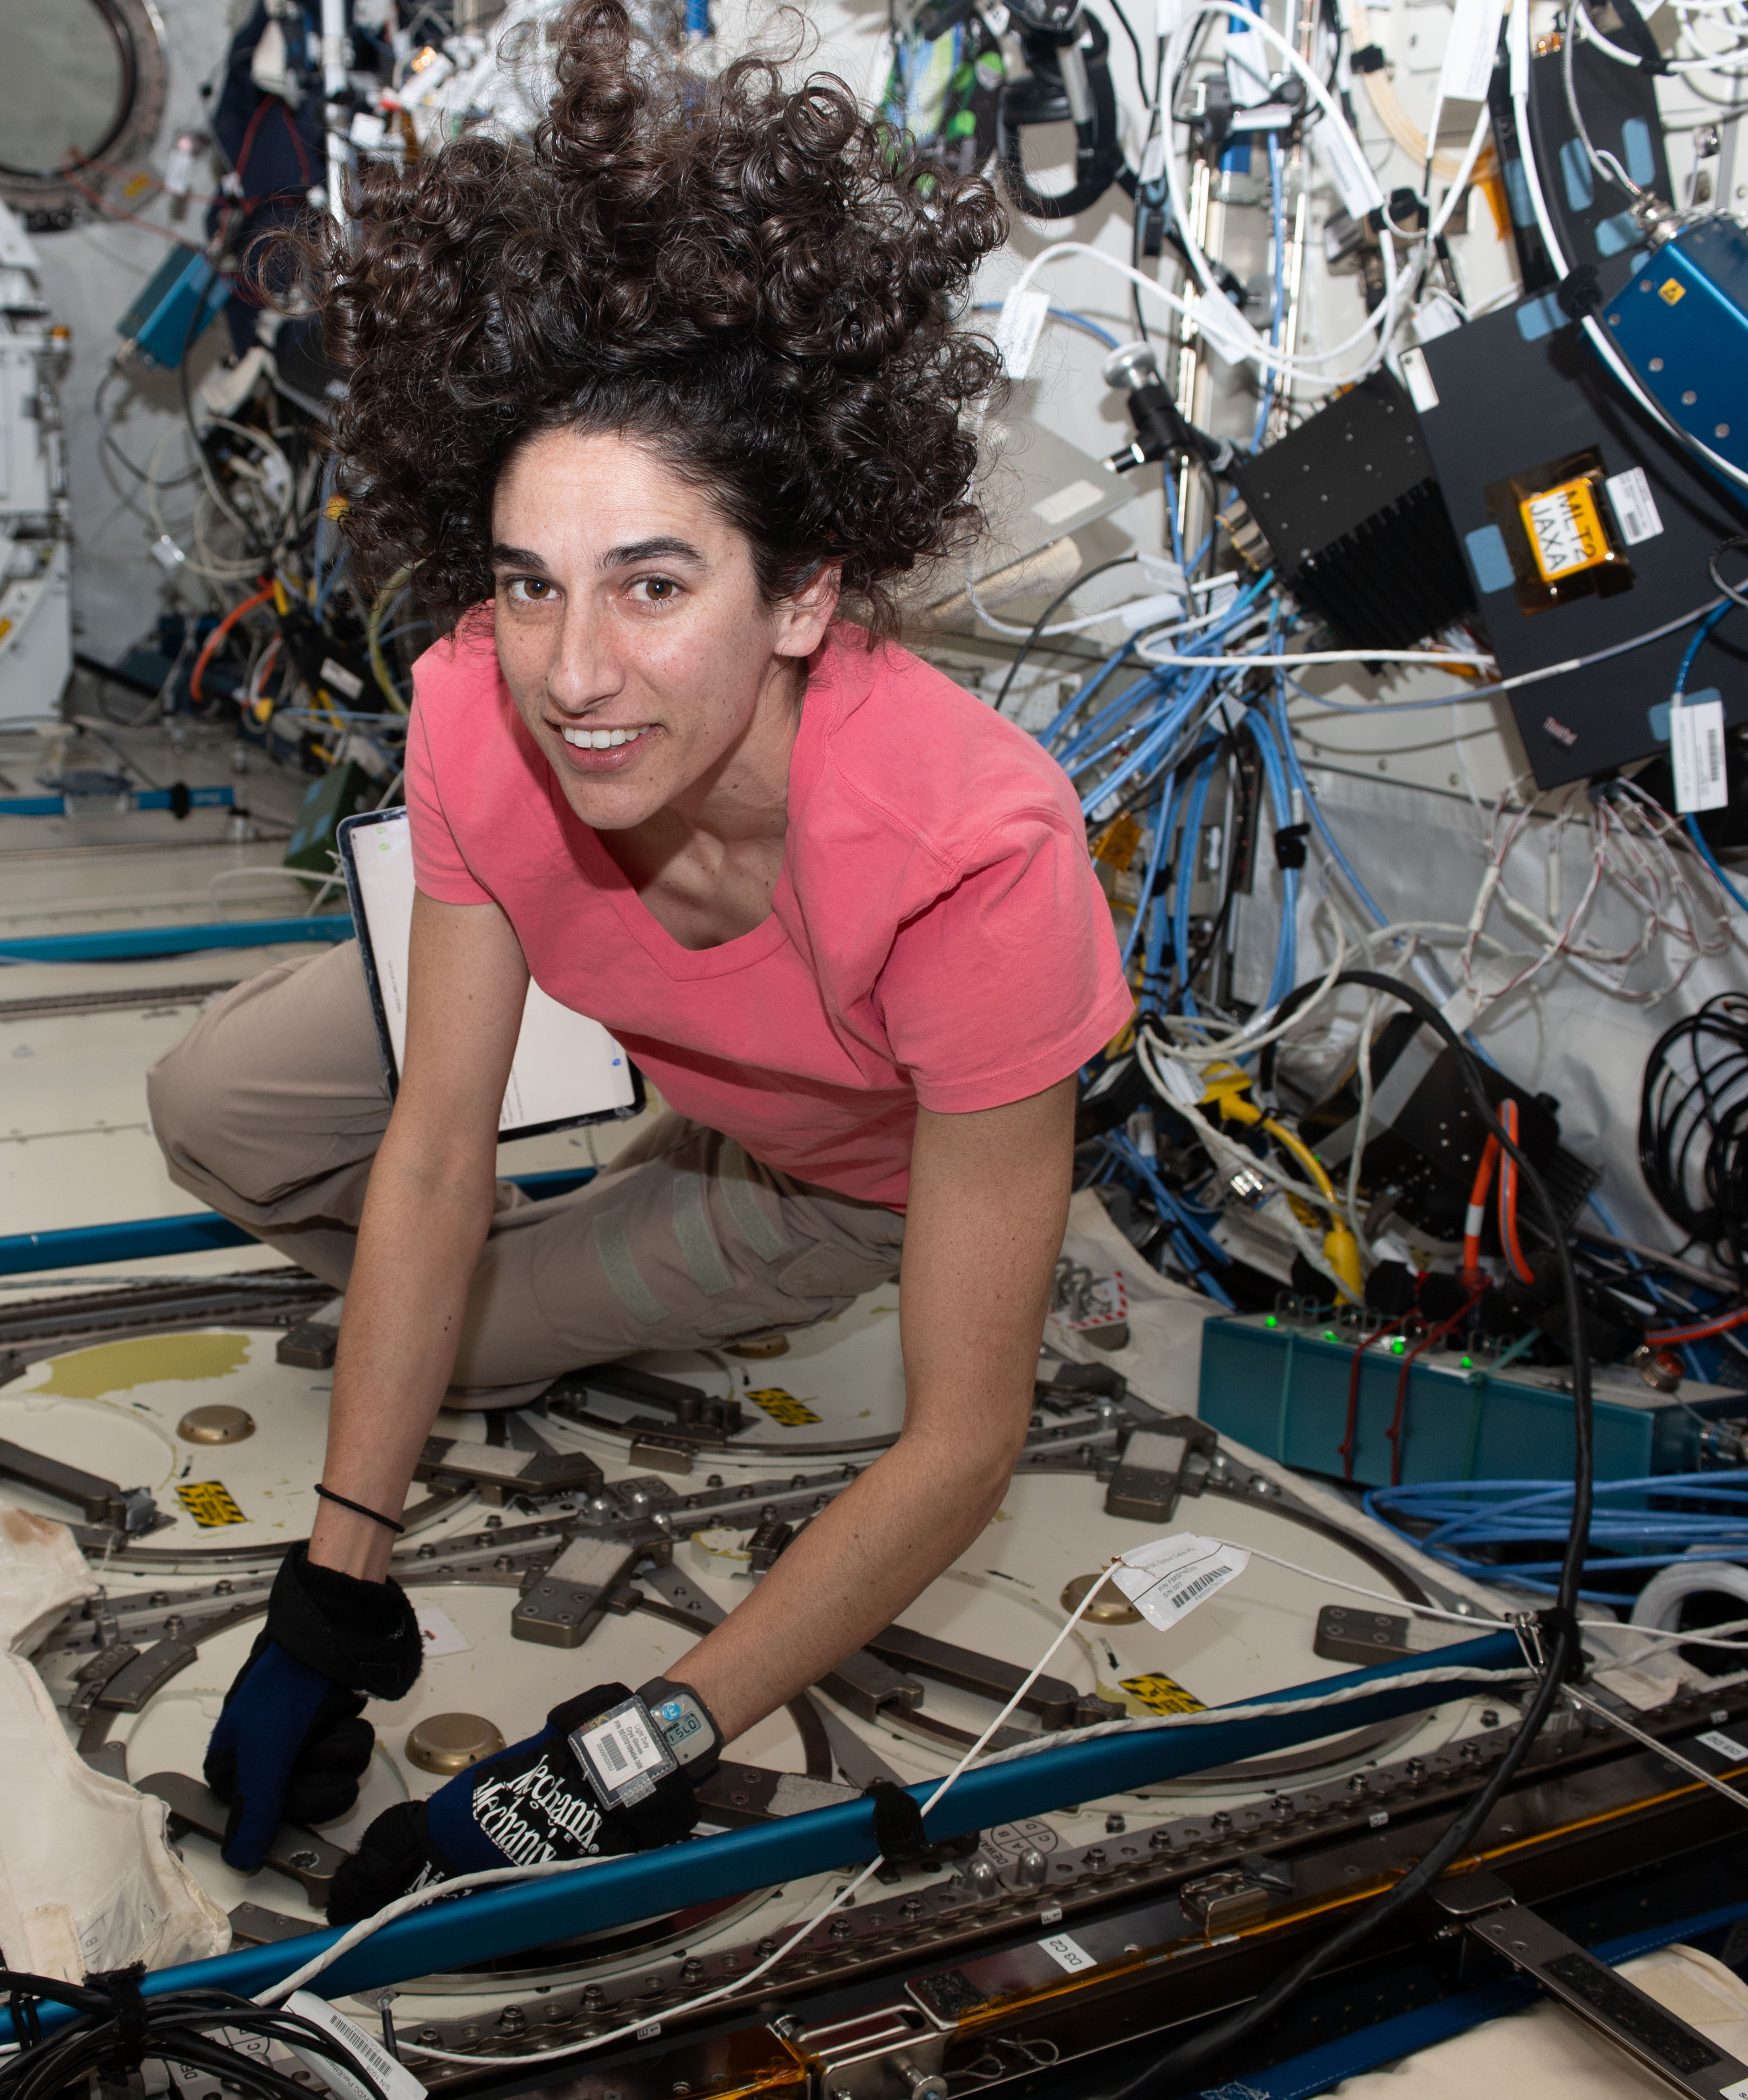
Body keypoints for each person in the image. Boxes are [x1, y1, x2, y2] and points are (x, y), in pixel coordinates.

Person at [143, 0, 1130, 1923]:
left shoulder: (972, 860)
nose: (578, 675)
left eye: (655, 584)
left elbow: (963, 1435)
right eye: (531, 582)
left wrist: (633, 1746)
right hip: (634, 1039)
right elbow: (439, 1141)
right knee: (212, 1115)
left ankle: (589, 1260)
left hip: (827, 1162)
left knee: (475, 1350)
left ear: (805, 594)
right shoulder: (475, 710)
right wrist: (334, 1586)